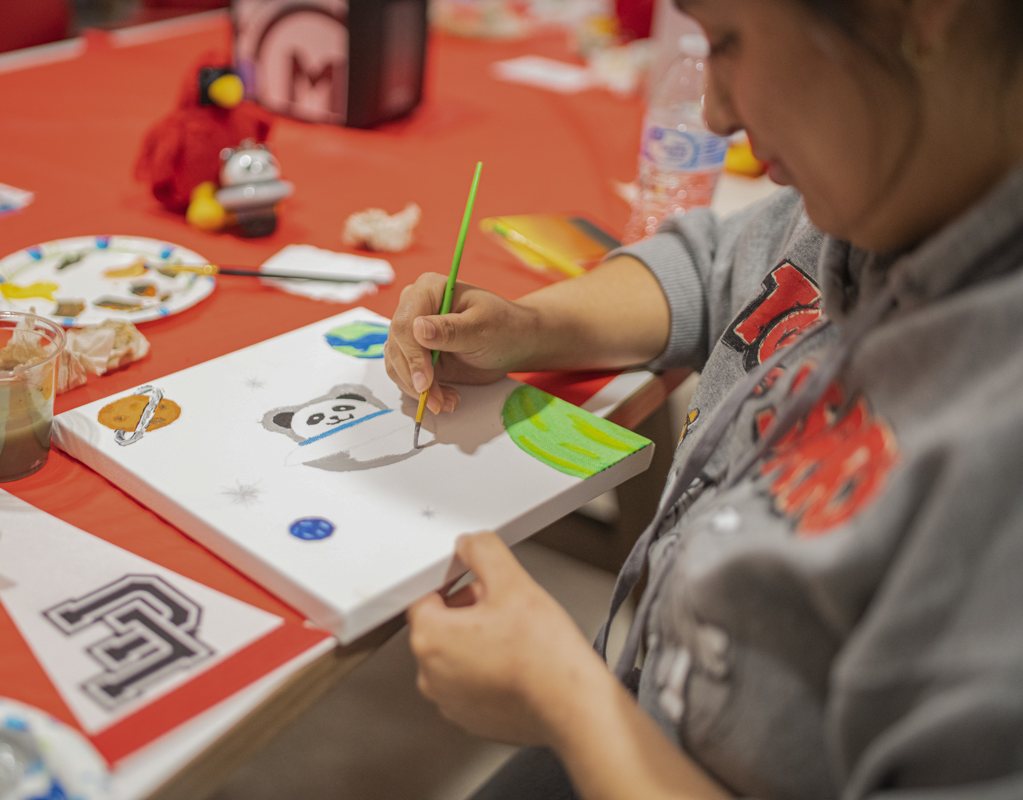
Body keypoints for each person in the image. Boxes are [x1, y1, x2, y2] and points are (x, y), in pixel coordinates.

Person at [382, 0, 1023, 797]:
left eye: (726, 41)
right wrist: (531, 326)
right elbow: (721, 263)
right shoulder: (886, 185)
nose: (715, 113)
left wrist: (568, 702)